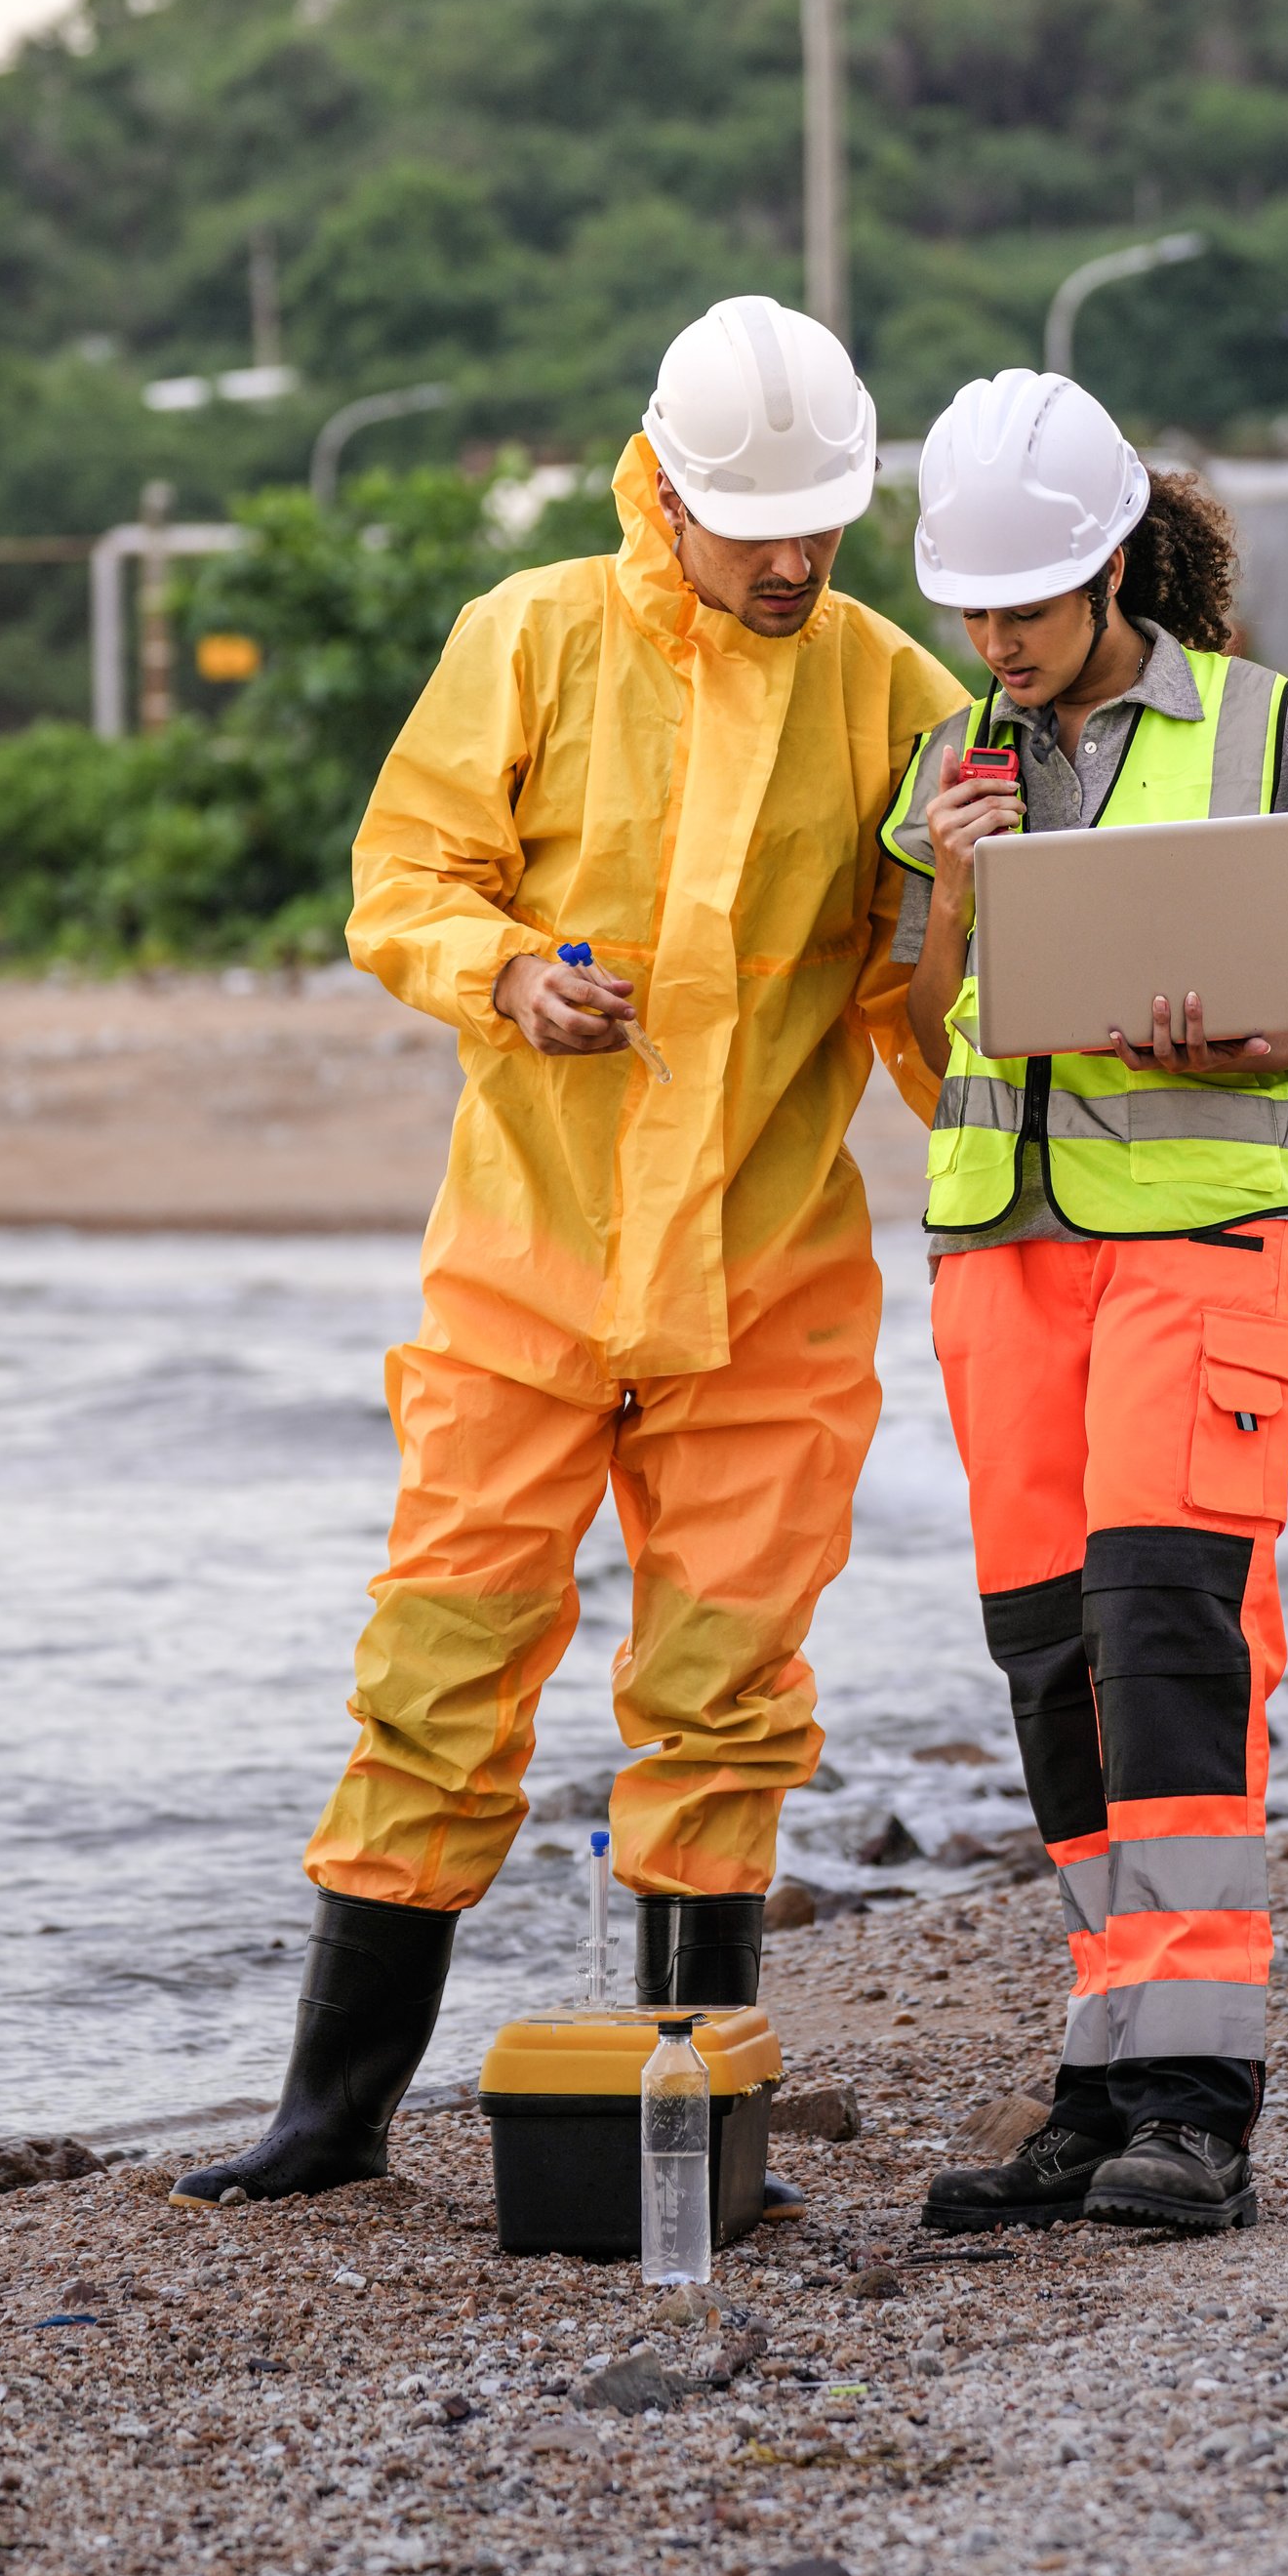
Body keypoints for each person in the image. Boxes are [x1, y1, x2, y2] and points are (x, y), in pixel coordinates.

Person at [176, 298, 966, 2208]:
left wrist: (998, 1042)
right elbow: (404, 882)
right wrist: (511, 976)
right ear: (662, 489)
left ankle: (692, 2135)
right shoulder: (523, 639)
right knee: (438, 1672)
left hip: (767, 1296)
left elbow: (919, 1014)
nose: (790, 563)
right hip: (523, 1284)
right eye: (755, 526)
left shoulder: (892, 693)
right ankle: (333, 2119)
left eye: (821, 529)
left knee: (727, 1699)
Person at [883, 369, 1288, 2239]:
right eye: (970, 610)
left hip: (1200, 1233)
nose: (995, 641)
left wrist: (1218, 1029)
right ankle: (1099, 2076)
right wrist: (956, 896)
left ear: (1106, 570)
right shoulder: (952, 766)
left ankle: (1198, 2105)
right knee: (1053, 1663)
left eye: (1024, 604)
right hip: (1005, 1247)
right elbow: (923, 1035)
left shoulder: (1254, 725)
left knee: (1172, 1635)